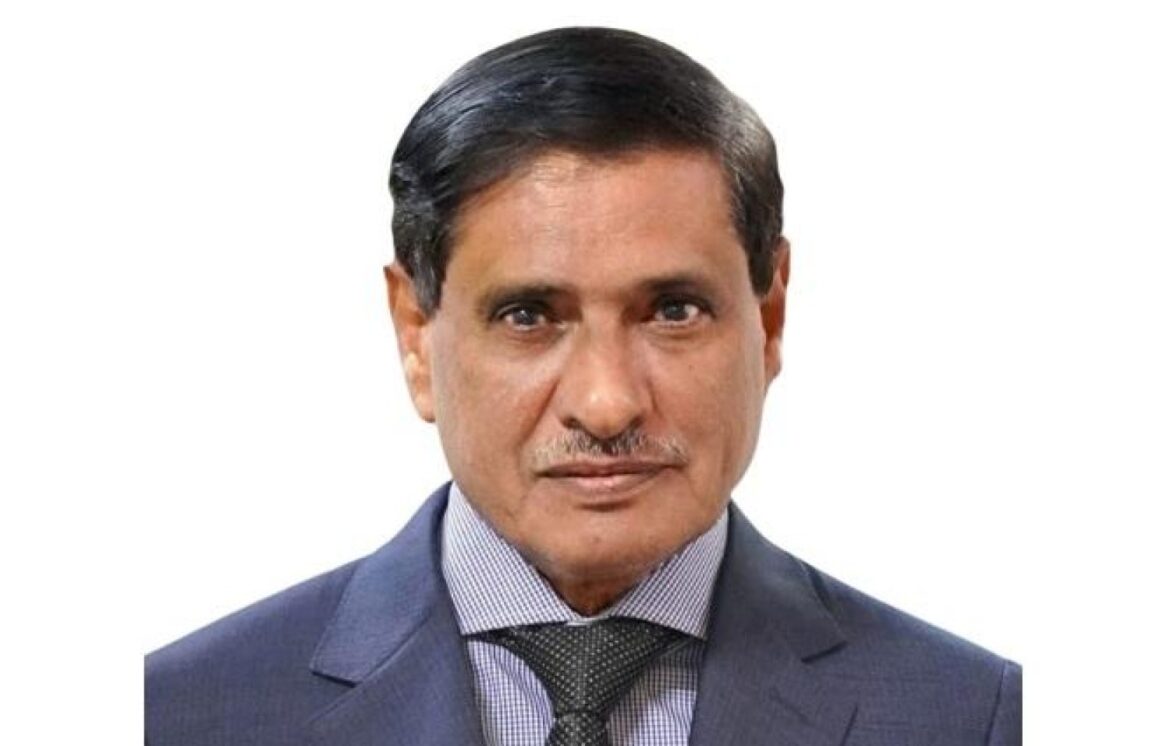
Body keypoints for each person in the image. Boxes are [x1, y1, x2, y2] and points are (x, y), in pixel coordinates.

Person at [145, 26, 1022, 745]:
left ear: (770, 317)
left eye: (673, 310)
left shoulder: (978, 719)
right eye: (529, 315)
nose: (607, 404)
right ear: (415, 333)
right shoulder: (174, 718)